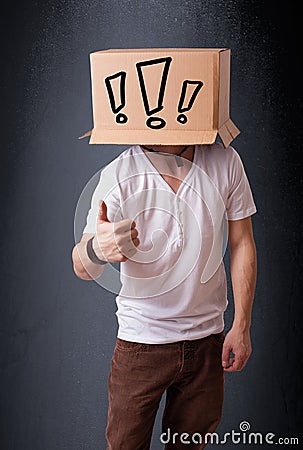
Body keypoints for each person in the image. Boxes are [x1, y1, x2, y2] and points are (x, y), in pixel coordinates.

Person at [72, 142, 257, 450]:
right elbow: (81, 265)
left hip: (207, 342)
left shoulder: (225, 160)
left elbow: (242, 243)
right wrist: (97, 249)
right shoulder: (120, 173)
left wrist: (242, 325)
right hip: (141, 345)